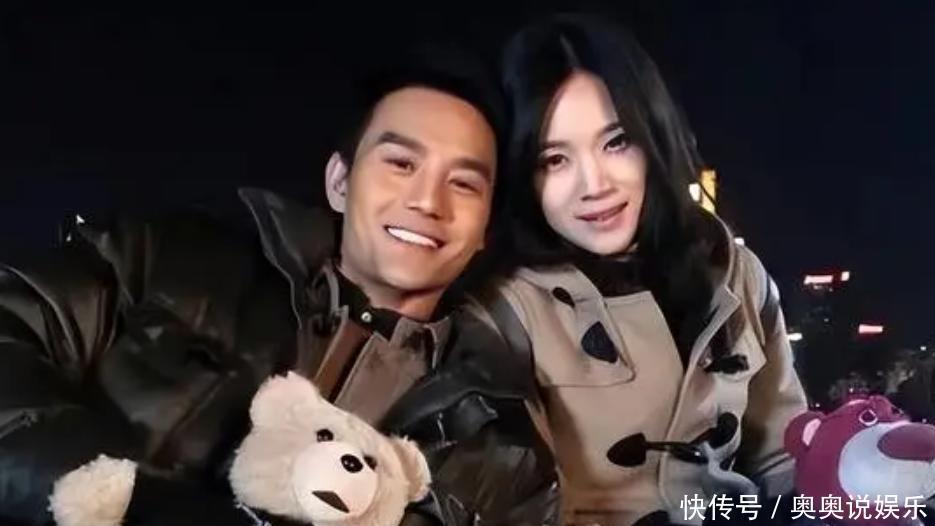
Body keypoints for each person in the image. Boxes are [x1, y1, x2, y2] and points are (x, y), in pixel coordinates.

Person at [0, 45, 557, 526]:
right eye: (401, 163)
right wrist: (131, 497)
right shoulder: (168, 262)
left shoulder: (499, 446)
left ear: (484, 231)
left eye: (463, 184)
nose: (428, 202)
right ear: (340, 182)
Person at [479, 15, 808, 525]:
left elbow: (784, 459)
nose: (595, 185)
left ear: (654, 134)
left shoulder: (734, 270)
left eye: (616, 142)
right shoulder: (503, 307)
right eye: (554, 160)